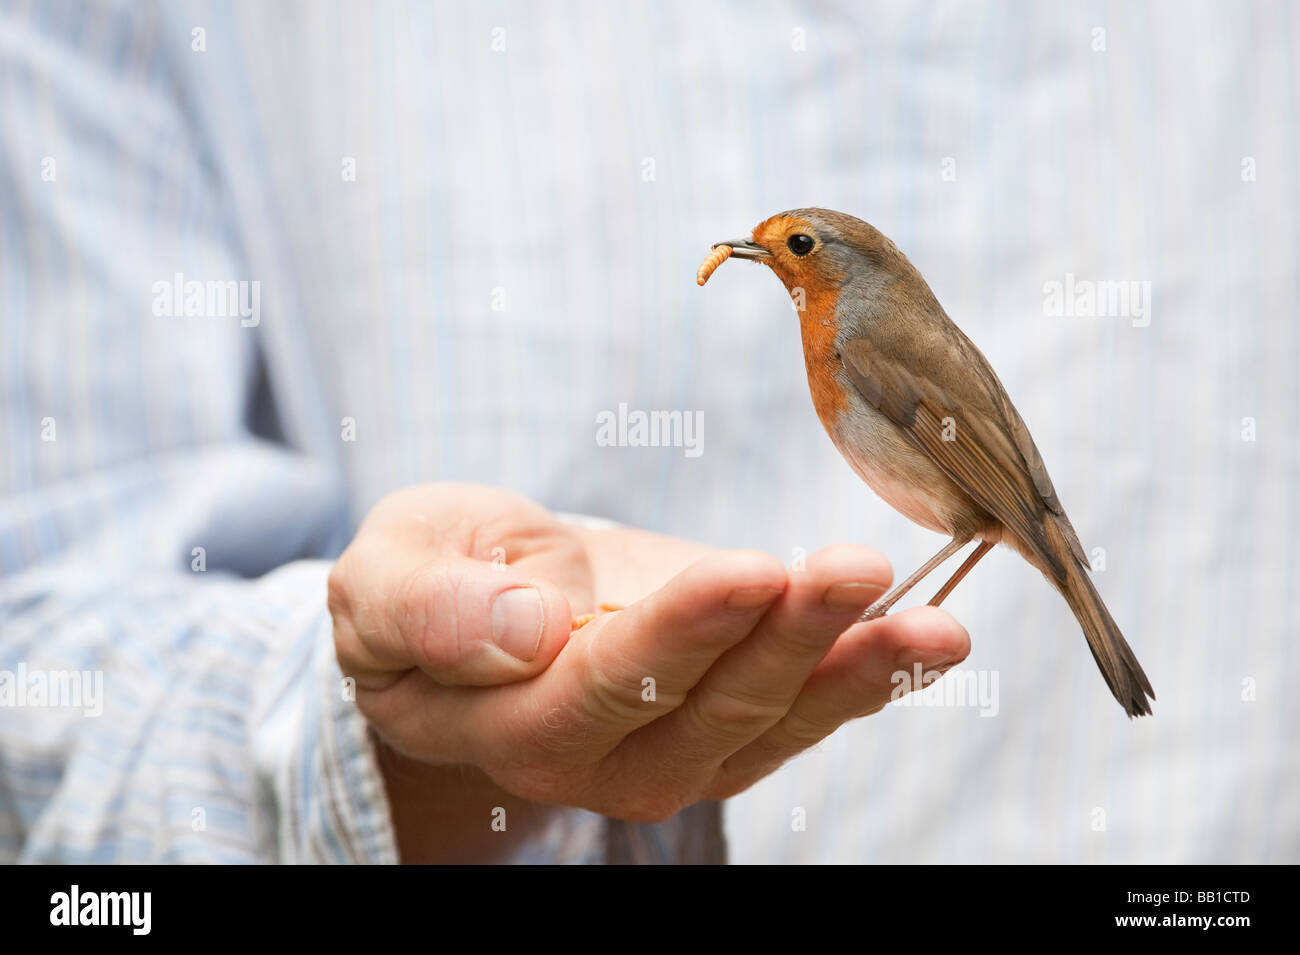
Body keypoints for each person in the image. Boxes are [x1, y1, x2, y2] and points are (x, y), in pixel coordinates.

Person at [2, 1, 1295, 864]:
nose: (765, 257)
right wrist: (405, 739)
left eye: (790, 249)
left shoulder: (858, 338)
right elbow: (45, 647)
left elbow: (979, 466)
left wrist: (1026, 531)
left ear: (835, 271)